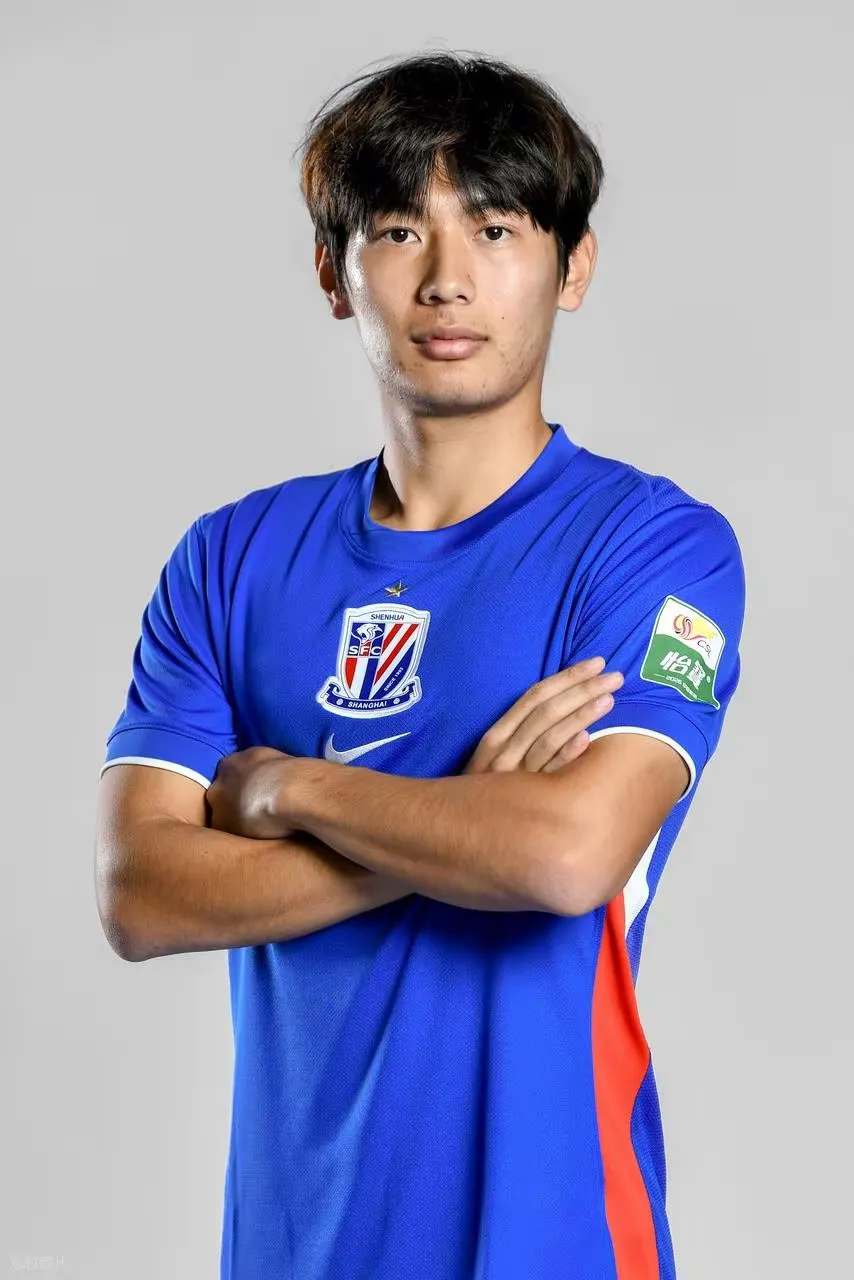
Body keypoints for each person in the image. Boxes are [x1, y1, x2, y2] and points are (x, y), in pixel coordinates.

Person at [95, 49, 746, 1280]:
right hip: (292, 1244)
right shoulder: (232, 557)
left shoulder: (650, 545)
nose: (447, 278)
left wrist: (287, 788)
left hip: (552, 1241)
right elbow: (139, 891)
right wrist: (459, 821)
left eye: (494, 229)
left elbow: (563, 855)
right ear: (333, 274)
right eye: (398, 231)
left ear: (572, 265)